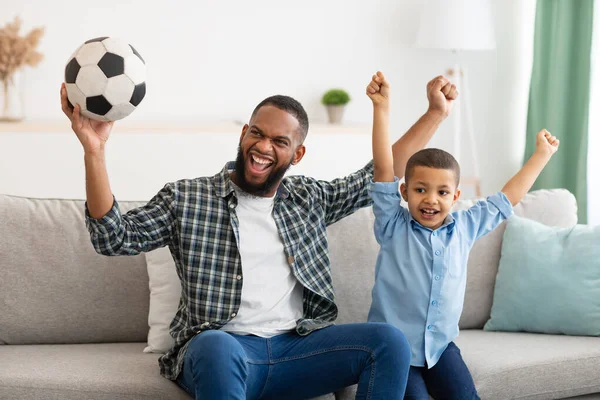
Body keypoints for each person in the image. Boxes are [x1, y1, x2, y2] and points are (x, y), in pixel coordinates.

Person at [59, 73, 457, 400]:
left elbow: (379, 173)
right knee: (215, 344)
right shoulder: (187, 197)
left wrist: (435, 114)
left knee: (387, 342)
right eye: (257, 133)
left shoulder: (308, 197)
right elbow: (113, 238)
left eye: (280, 142)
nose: (263, 147)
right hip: (224, 351)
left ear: (296, 155)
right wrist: (93, 151)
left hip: (296, 348)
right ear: (245, 132)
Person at [365, 71, 560, 399]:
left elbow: (507, 198)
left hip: (440, 348)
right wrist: (381, 109)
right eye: (421, 189)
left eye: (442, 192)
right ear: (405, 191)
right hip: (394, 351)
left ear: (455, 197)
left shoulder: (467, 225)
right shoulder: (392, 224)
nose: (431, 199)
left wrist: (541, 155)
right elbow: (384, 168)